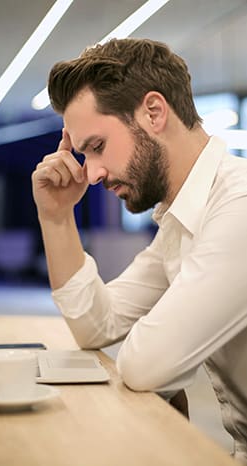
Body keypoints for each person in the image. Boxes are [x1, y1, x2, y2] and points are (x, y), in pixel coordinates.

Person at [31, 38, 247, 462]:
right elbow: (98, 325)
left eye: (97, 146)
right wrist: (56, 217)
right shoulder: (181, 219)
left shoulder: (238, 206)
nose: (90, 173)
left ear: (153, 112)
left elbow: (147, 364)